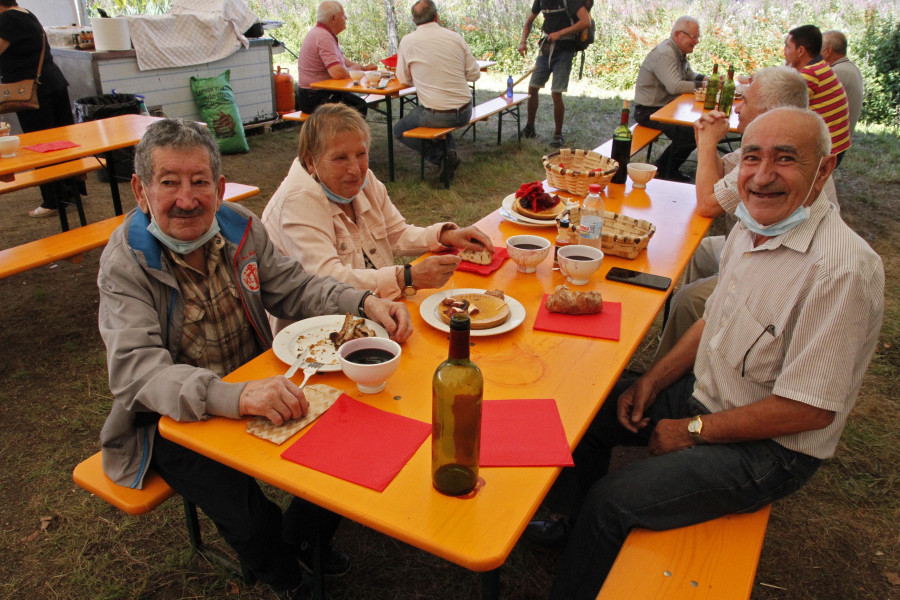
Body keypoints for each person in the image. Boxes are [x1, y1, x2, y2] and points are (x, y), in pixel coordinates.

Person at [546, 107, 884, 599]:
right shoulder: (756, 224)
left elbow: (808, 408)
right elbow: (712, 320)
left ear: (824, 169)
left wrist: (692, 430)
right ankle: (571, 529)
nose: (763, 176)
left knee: (611, 502)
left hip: (770, 449)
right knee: (583, 415)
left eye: (785, 159)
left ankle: (585, 552)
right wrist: (653, 382)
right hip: (711, 394)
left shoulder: (842, 271)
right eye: (752, 157)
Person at [97, 118, 412, 600]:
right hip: (170, 418)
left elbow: (297, 286)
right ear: (141, 191)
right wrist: (234, 396)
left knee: (356, 429)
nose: (187, 199)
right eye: (169, 182)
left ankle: (304, 536)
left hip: (259, 382)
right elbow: (137, 373)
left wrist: (363, 303)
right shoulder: (127, 261)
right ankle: (287, 577)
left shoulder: (240, 227)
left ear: (220, 187)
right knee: (246, 509)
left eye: (200, 181)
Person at [654, 65, 838, 359]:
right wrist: (706, 143)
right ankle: (700, 339)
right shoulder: (773, 144)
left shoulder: (768, 158)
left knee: (688, 299)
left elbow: (707, 204)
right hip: (752, 243)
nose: (738, 108)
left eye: (747, 101)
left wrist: (707, 144)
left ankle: (670, 366)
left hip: (785, 263)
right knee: (695, 253)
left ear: (771, 111)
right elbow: (717, 180)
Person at [262, 103, 493, 334]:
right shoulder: (298, 201)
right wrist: (408, 278)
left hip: (376, 314)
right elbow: (329, 281)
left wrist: (447, 235)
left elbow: (396, 233)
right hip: (318, 334)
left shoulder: (364, 181)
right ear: (311, 161)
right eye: (340, 158)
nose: (355, 168)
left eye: (361, 154)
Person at [0, 1, 83, 218]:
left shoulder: (6, 19)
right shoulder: (26, 14)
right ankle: (71, 191)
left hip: (32, 89)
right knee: (62, 141)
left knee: (41, 143)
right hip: (52, 82)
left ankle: (53, 201)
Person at [394, 0, 482, 181]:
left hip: (437, 114)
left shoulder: (408, 41)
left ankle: (441, 157)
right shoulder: (455, 37)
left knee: (400, 129)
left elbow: (403, 79)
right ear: (436, 16)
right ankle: (450, 153)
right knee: (438, 111)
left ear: (414, 20)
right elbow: (474, 74)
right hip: (465, 110)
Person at [633, 16, 706, 182]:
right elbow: (675, 86)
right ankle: (663, 170)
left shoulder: (677, 51)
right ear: (678, 35)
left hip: (665, 108)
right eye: (693, 37)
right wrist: (704, 86)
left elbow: (689, 75)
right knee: (691, 134)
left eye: (697, 37)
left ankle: (667, 168)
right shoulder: (665, 53)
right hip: (648, 111)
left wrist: (709, 80)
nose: (696, 42)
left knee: (694, 128)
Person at [517, 0, 590, 148]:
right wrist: (522, 41)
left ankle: (558, 134)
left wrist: (560, 33)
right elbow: (529, 20)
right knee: (532, 89)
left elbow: (585, 22)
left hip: (564, 50)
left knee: (556, 93)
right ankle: (529, 128)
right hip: (546, 48)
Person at [783, 24, 851, 165]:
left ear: (801, 50)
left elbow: (782, 108)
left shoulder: (810, 74)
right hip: (838, 144)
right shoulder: (821, 66)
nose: (784, 51)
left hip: (827, 150)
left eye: (788, 46)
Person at [295, 1, 375, 116]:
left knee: (357, 103)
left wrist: (363, 68)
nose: (346, 18)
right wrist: (354, 71)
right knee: (358, 106)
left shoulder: (322, 33)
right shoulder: (324, 37)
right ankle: (347, 134)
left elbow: (341, 60)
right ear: (333, 18)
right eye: (343, 15)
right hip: (314, 97)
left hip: (313, 95)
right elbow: (337, 72)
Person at [822, 30, 864, 137]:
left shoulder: (837, 72)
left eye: (818, 49)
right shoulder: (851, 68)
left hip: (833, 142)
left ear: (827, 51)